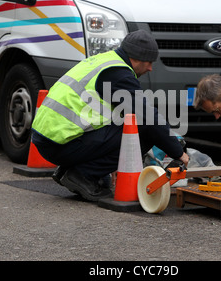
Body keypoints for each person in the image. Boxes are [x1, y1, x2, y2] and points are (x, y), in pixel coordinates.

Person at [31, 30, 189, 201]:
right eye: (149, 62)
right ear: (136, 58)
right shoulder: (118, 73)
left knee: (129, 121)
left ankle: (70, 170)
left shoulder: (105, 61)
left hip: (50, 139)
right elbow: (148, 116)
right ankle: (82, 174)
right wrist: (178, 153)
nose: (150, 68)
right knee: (143, 129)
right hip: (61, 143)